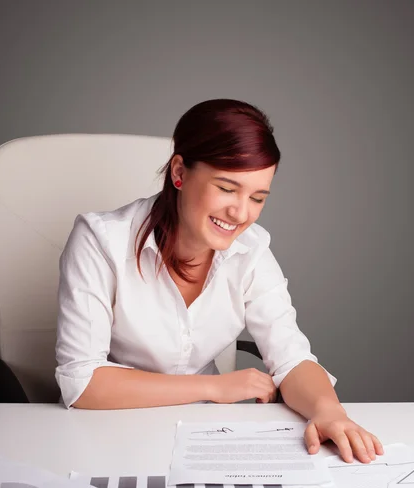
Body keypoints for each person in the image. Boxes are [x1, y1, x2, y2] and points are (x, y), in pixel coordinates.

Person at [55, 98, 384, 464]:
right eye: (227, 189)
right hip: (106, 434)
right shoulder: (100, 240)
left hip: (206, 435)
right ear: (179, 173)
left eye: (258, 197)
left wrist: (329, 412)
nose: (241, 213)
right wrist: (214, 386)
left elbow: (292, 359)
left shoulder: (252, 250)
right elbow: (82, 383)